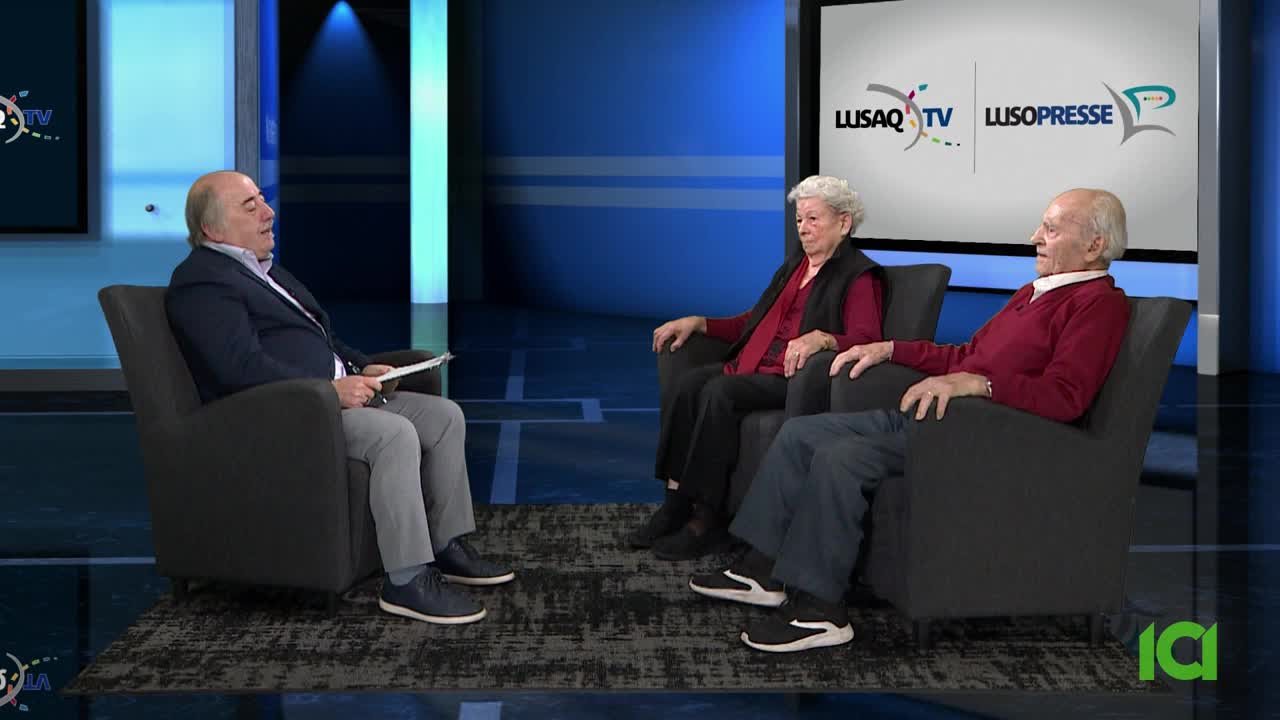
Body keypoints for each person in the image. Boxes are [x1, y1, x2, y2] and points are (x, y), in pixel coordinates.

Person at [689, 188, 1132, 652]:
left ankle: (820, 611)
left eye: (1051, 228)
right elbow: (965, 355)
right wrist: (890, 348)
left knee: (843, 457)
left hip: (988, 436)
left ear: (1095, 246)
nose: (1035, 237)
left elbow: (1066, 397)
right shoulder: (1033, 294)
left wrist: (979, 385)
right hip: (942, 420)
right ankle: (764, 569)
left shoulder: (1097, 304)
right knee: (802, 432)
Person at [165, 170, 512, 625]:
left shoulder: (267, 272)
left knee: (444, 416)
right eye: (250, 207)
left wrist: (362, 366)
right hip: (283, 411)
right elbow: (239, 368)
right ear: (212, 229)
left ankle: (446, 545)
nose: (269, 213)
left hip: (328, 397)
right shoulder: (203, 282)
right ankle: (407, 580)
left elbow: (323, 340)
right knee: (393, 434)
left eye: (263, 201)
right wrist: (328, 392)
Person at [633, 175, 886, 561]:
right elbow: (756, 322)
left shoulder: (859, 276)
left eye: (814, 219)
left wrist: (824, 339)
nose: (803, 228)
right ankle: (674, 503)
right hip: (751, 365)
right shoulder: (794, 268)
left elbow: (867, 337)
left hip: (794, 377)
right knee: (688, 384)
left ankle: (706, 520)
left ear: (844, 223)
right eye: (799, 219)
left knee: (719, 392)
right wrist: (702, 322)